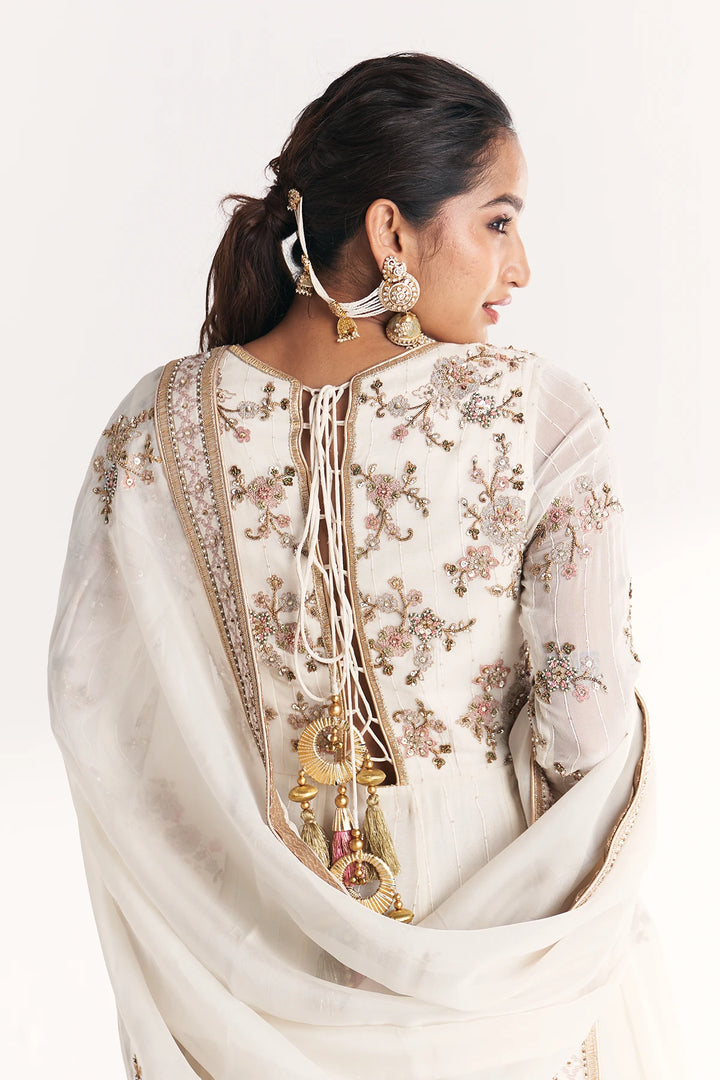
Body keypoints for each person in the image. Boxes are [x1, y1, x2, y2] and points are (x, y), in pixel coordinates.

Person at [48, 53, 681, 1080]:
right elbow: (587, 725)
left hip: (252, 985)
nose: (520, 271)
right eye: (499, 222)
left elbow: (93, 703)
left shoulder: (152, 428)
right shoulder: (538, 416)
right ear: (393, 231)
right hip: (500, 976)